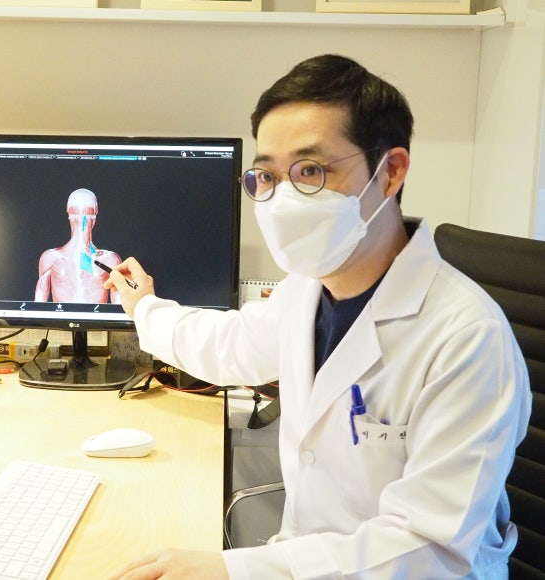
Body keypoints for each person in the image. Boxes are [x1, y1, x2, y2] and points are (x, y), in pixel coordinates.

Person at [104, 54, 532, 579]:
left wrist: (233, 571)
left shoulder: (467, 338)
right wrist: (144, 308)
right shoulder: (306, 290)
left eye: (310, 170)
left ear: (391, 171)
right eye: (267, 175)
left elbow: (429, 550)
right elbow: (229, 345)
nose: (283, 199)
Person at [35, 188, 123, 304]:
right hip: (62, 317)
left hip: (97, 317)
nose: (82, 219)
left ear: (95, 215)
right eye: (75, 212)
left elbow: (119, 307)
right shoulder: (50, 257)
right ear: (69, 214)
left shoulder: (110, 260)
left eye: (88, 213)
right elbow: (39, 304)